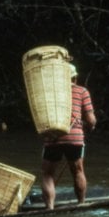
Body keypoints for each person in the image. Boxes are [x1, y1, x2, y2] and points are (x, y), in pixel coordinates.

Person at [41, 62, 97, 208]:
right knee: (78, 171)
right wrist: (91, 126)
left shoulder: (51, 93)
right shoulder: (82, 91)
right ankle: (81, 203)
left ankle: (50, 208)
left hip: (53, 137)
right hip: (75, 137)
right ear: (75, 77)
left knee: (48, 174)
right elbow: (90, 119)